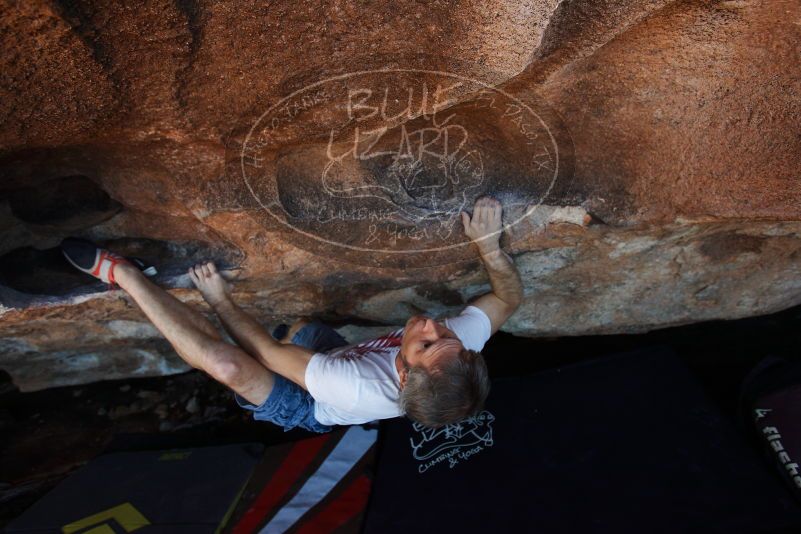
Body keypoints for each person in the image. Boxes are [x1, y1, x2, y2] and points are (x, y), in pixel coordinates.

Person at [61, 196, 523, 431]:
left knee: (229, 365)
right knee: (297, 333)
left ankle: (124, 275)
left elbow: (263, 351)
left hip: (311, 404)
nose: (429, 323)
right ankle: (298, 335)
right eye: (445, 334)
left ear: (403, 375)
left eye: (424, 342)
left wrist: (220, 298)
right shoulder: (456, 352)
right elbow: (506, 300)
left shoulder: (353, 388)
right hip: (337, 354)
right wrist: (488, 247)